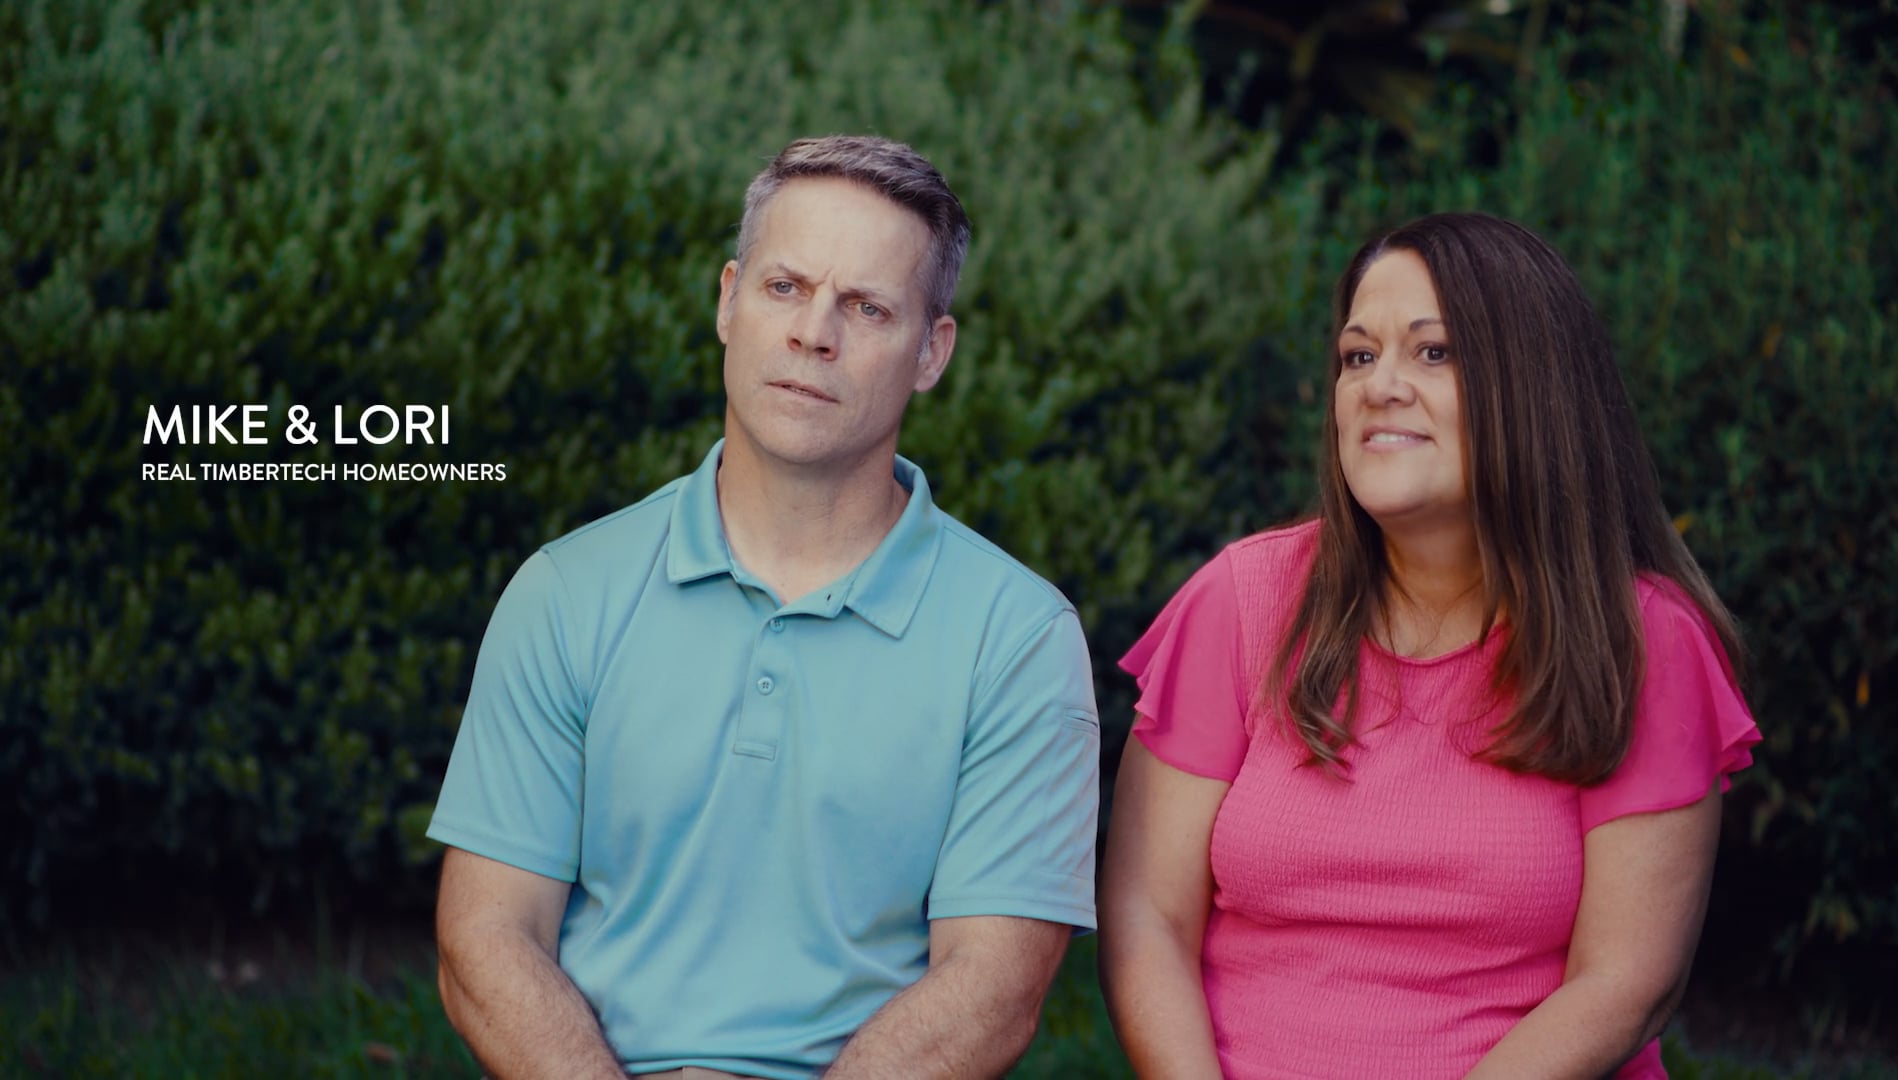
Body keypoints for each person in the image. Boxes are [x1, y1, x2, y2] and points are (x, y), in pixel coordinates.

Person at [428, 135, 1100, 1080]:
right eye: (785, 287)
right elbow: (486, 937)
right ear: (728, 300)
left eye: (866, 307)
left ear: (931, 352)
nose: (814, 333)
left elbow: (994, 991)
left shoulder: (1020, 639)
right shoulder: (567, 591)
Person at [1097, 212, 1761, 1080]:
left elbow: (1625, 983)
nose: (1379, 386)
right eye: (1357, 356)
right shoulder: (1241, 601)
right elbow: (1147, 916)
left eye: (1433, 352)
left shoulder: (1642, 642)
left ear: (1532, 385)